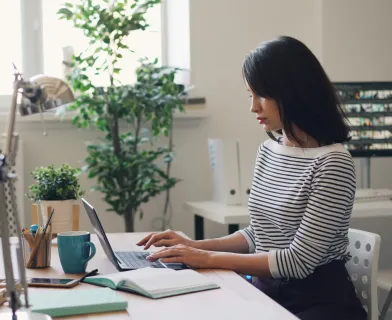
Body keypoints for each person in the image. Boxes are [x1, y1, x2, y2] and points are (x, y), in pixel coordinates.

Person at [137, 36, 367, 320]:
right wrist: (194, 246)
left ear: (294, 92)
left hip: (317, 303)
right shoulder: (269, 151)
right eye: (250, 95)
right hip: (266, 290)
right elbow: (259, 234)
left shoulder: (333, 162)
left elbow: (298, 262)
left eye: (262, 95)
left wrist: (206, 259)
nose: (253, 107)